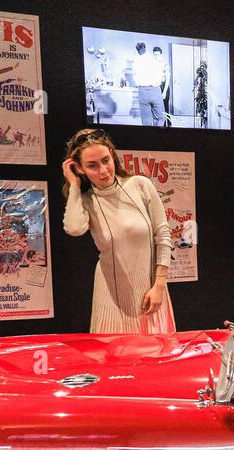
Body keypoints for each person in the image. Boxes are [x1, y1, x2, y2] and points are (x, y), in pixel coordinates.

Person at [61, 128, 174, 333]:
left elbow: (163, 235)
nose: (103, 171)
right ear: (79, 168)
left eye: (106, 160)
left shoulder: (140, 185)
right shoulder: (86, 201)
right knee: (114, 360)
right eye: (92, 166)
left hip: (150, 291)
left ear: (113, 155)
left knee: (154, 357)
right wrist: (74, 186)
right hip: (110, 296)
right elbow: (75, 228)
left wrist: (159, 285)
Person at [130, 42, 166, 126]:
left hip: (142, 91)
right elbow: (161, 77)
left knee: (146, 120)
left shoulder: (135, 62)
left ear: (137, 50)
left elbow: (135, 79)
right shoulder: (154, 59)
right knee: (160, 117)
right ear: (145, 48)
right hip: (155, 90)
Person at [153, 46, 172, 127]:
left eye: (157, 54)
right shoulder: (154, 64)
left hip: (164, 86)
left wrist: (164, 92)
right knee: (160, 108)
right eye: (155, 55)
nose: (156, 56)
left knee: (165, 106)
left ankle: (169, 124)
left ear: (161, 54)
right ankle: (163, 124)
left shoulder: (165, 64)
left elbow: (168, 79)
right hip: (157, 86)